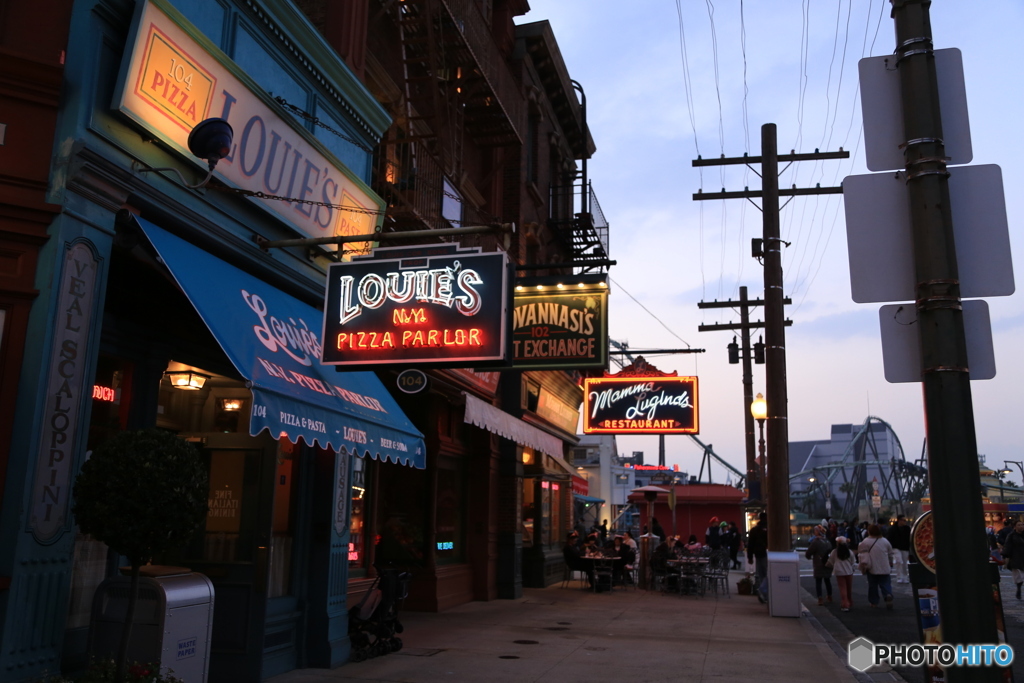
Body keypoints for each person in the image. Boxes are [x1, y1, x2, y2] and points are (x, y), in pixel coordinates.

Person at [858, 524, 894, 609]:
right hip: (884, 566)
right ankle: (887, 594)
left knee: (873, 585)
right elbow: (890, 553)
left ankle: (874, 602)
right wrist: (890, 562)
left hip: (871, 567)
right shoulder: (885, 541)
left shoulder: (866, 541)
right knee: (885, 583)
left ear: (869, 532)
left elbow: (861, 553)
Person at [806, 525, 834, 605]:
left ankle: (820, 598)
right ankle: (829, 596)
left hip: (818, 563)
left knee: (818, 581)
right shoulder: (828, 542)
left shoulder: (816, 542)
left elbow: (809, 552)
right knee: (827, 580)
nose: (814, 532)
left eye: (815, 530)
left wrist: (808, 557)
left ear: (818, 532)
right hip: (827, 563)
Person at [828, 536, 856, 611]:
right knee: (849, 588)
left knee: (842, 588)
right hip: (849, 571)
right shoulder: (849, 552)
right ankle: (849, 601)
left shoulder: (835, 551)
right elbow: (853, 562)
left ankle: (844, 604)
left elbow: (831, 561)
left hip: (839, 571)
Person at [747, 512, 769, 603]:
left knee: (760, 574)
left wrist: (750, 557)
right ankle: (764, 591)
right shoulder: (769, 529)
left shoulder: (754, 530)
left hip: (757, 553)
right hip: (766, 553)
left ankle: (761, 590)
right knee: (767, 573)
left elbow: (750, 544)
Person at [1001, 519, 1024, 599]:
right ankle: (1018, 588)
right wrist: (1005, 555)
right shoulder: (1011, 536)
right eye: (1019, 525)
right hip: (1016, 557)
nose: (1021, 526)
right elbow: (1007, 546)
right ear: (1015, 527)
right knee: (1018, 576)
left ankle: (1019, 586)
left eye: (1022, 525)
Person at [889, 515, 911, 584]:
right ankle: (900, 577)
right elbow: (890, 538)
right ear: (899, 520)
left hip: (904, 547)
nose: (905, 521)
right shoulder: (893, 529)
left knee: (904, 563)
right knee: (899, 561)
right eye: (903, 520)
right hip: (896, 547)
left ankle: (904, 577)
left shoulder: (907, 528)